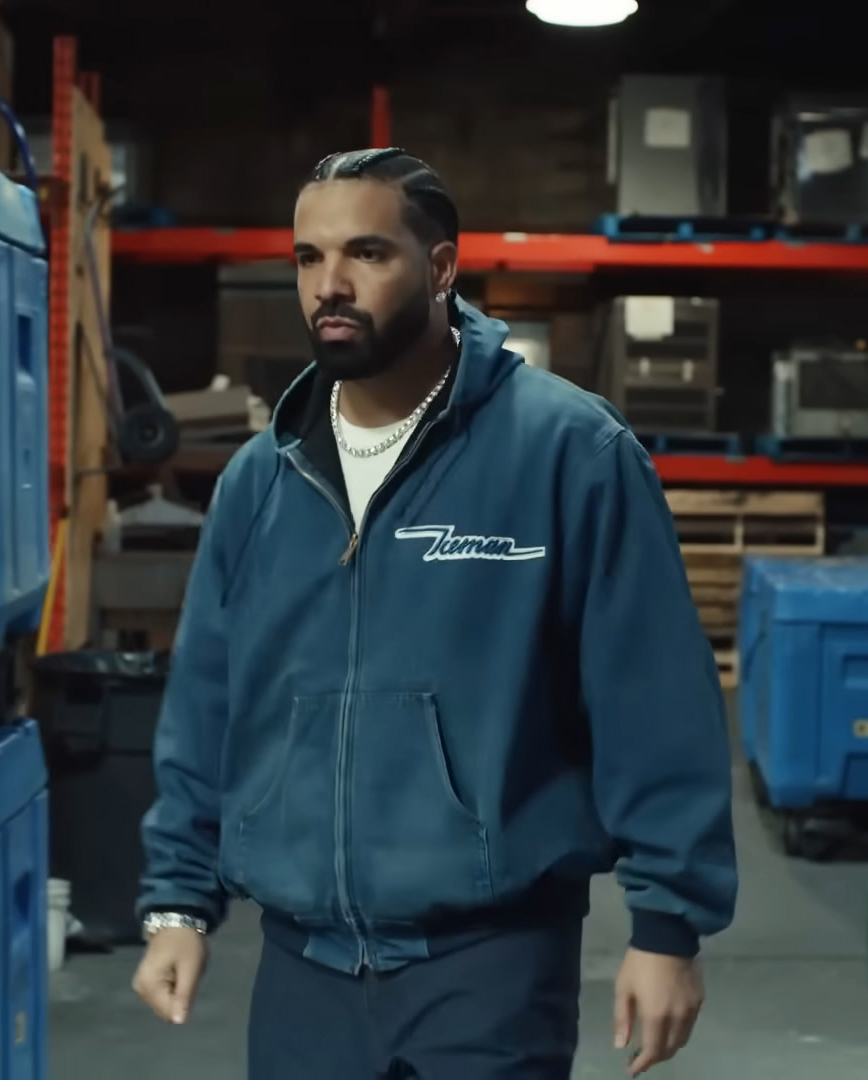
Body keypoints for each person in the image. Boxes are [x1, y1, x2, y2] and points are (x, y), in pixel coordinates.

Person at [132, 147, 737, 1079]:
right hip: (303, 969)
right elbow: (209, 699)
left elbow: (652, 697)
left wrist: (668, 926)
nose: (330, 285)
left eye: (367, 254)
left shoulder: (568, 452)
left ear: (443, 268)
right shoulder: (264, 478)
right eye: (307, 258)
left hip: (490, 963)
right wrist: (178, 902)